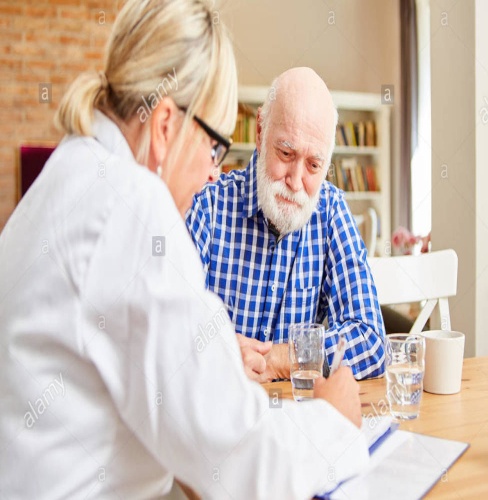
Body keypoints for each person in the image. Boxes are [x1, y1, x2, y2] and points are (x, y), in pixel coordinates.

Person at [0, 2, 369, 499]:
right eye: (214, 146)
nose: (215, 171)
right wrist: (334, 425)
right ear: (165, 126)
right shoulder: (129, 207)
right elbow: (239, 463)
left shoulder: (72, 174)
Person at [186, 67, 386, 382]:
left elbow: (370, 341)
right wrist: (218, 352)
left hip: (295, 423)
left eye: (313, 165)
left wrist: (280, 359)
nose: (295, 181)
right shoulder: (207, 204)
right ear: (260, 133)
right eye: (286, 152)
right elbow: (163, 329)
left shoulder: (331, 210)